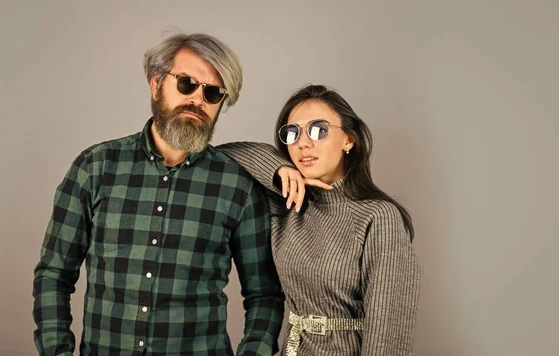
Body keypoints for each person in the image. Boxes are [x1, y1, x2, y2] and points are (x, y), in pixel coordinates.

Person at [32, 33, 284, 356]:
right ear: (155, 85)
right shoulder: (95, 168)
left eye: (212, 93)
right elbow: (54, 275)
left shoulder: (238, 187)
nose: (197, 100)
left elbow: (265, 296)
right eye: (186, 84)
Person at [218, 84, 422, 355]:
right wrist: (280, 169)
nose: (303, 142)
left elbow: (389, 335)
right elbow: (219, 155)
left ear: (349, 140)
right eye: (292, 133)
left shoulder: (378, 216)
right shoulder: (287, 204)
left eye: (319, 129)